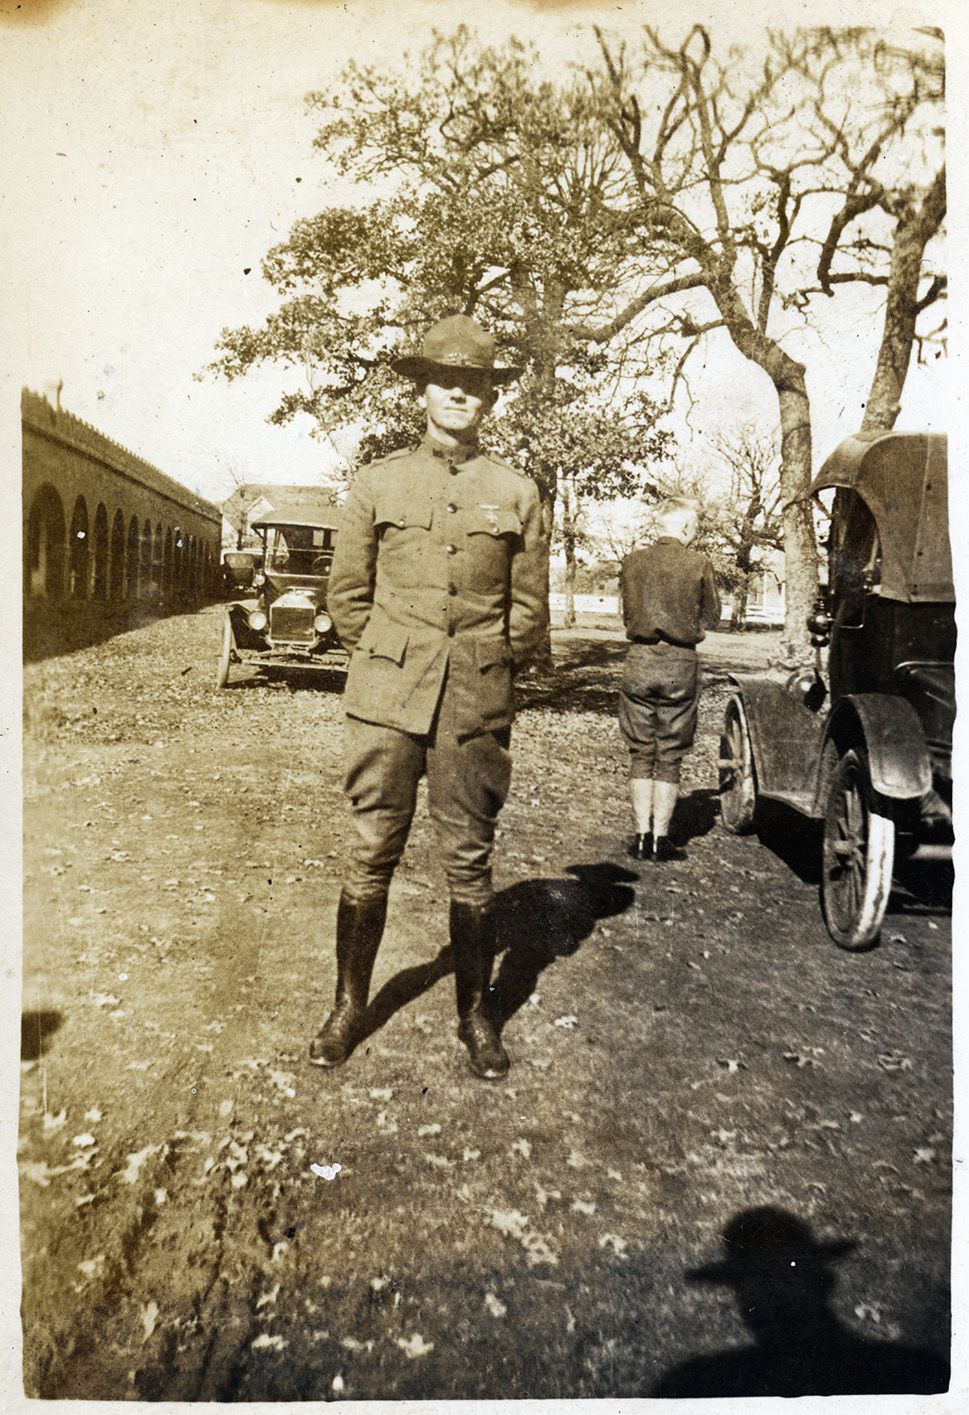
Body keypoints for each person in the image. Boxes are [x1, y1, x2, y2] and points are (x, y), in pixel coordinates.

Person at [308, 314, 548, 1080]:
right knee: (371, 848)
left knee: (469, 862)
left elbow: (528, 611)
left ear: (488, 398)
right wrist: (389, 656)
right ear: (422, 391)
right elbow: (346, 595)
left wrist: (483, 666)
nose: (458, 393)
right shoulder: (377, 481)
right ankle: (348, 1006)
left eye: (473, 383)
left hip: (472, 702)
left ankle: (476, 1015)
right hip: (385, 700)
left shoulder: (515, 491)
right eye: (444, 381)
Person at [618, 497, 720, 861]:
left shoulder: (632, 562)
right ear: (688, 528)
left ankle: (641, 836)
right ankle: (662, 840)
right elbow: (713, 615)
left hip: (640, 660)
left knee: (640, 750)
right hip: (679, 663)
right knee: (670, 754)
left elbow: (626, 613)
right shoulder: (698, 563)